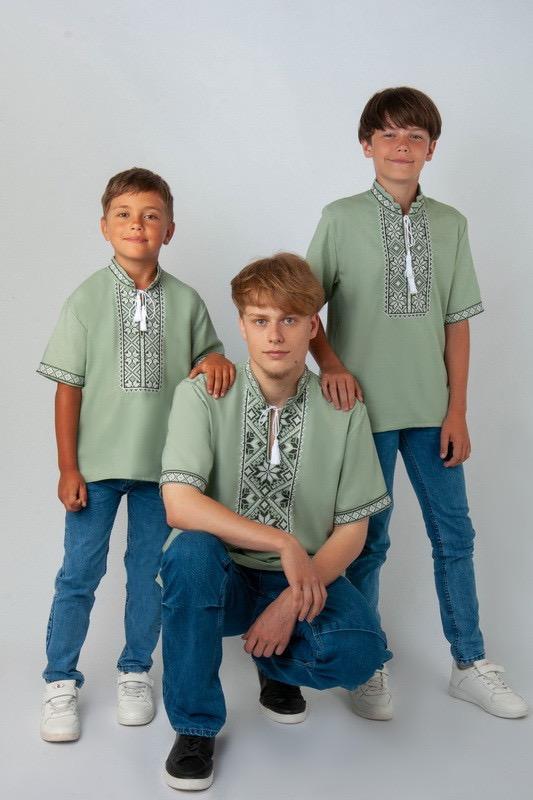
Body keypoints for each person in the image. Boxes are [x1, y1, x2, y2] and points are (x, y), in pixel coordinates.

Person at [306, 86, 527, 720]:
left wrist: (458, 411)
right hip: (362, 416)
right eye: (389, 134)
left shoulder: (451, 225)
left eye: (415, 137)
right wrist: (333, 366)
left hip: (432, 414)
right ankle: (366, 663)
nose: (401, 146)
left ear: (431, 149)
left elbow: (457, 322)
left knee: (455, 536)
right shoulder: (339, 218)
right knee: (367, 542)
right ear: (366, 145)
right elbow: (302, 309)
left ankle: (469, 663)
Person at [159, 253, 393, 790]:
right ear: (241, 325)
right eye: (260, 319)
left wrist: (290, 602)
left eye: (290, 319)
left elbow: (353, 529)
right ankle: (195, 727)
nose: (275, 335)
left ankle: (273, 665)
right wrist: (283, 541)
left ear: (313, 327)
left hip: (301, 576)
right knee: (190, 554)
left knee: (360, 653)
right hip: (220, 574)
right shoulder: (202, 393)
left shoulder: (344, 409)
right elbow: (180, 504)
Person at [38, 167, 235, 742]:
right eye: (123, 215)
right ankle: (59, 679)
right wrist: (68, 467)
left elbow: (213, 359)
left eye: (151, 216)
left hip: (164, 472)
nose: (137, 225)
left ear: (169, 229)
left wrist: (215, 359)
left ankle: (134, 670)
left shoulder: (187, 301)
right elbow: (68, 388)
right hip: (95, 469)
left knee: (149, 575)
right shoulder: (86, 299)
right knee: (79, 574)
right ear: (104, 226)